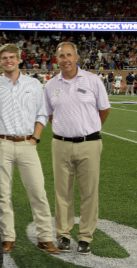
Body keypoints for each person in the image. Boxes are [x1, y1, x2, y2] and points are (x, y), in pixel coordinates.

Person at [0, 44, 60, 255]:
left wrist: (35, 139)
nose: (8, 61)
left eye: (12, 57)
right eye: (4, 58)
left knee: (38, 192)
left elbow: (42, 114)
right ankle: (7, 237)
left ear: (19, 59)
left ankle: (45, 237)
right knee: (3, 194)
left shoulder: (34, 84)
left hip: (28, 144)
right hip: (2, 144)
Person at [44, 42, 110, 255]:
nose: (65, 59)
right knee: (62, 192)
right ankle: (63, 235)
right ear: (57, 59)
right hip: (61, 144)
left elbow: (104, 109)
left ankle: (85, 237)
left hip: (89, 143)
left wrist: (89, 129)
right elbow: (50, 114)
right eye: (61, 56)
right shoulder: (50, 84)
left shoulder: (92, 80)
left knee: (89, 192)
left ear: (77, 57)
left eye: (69, 55)